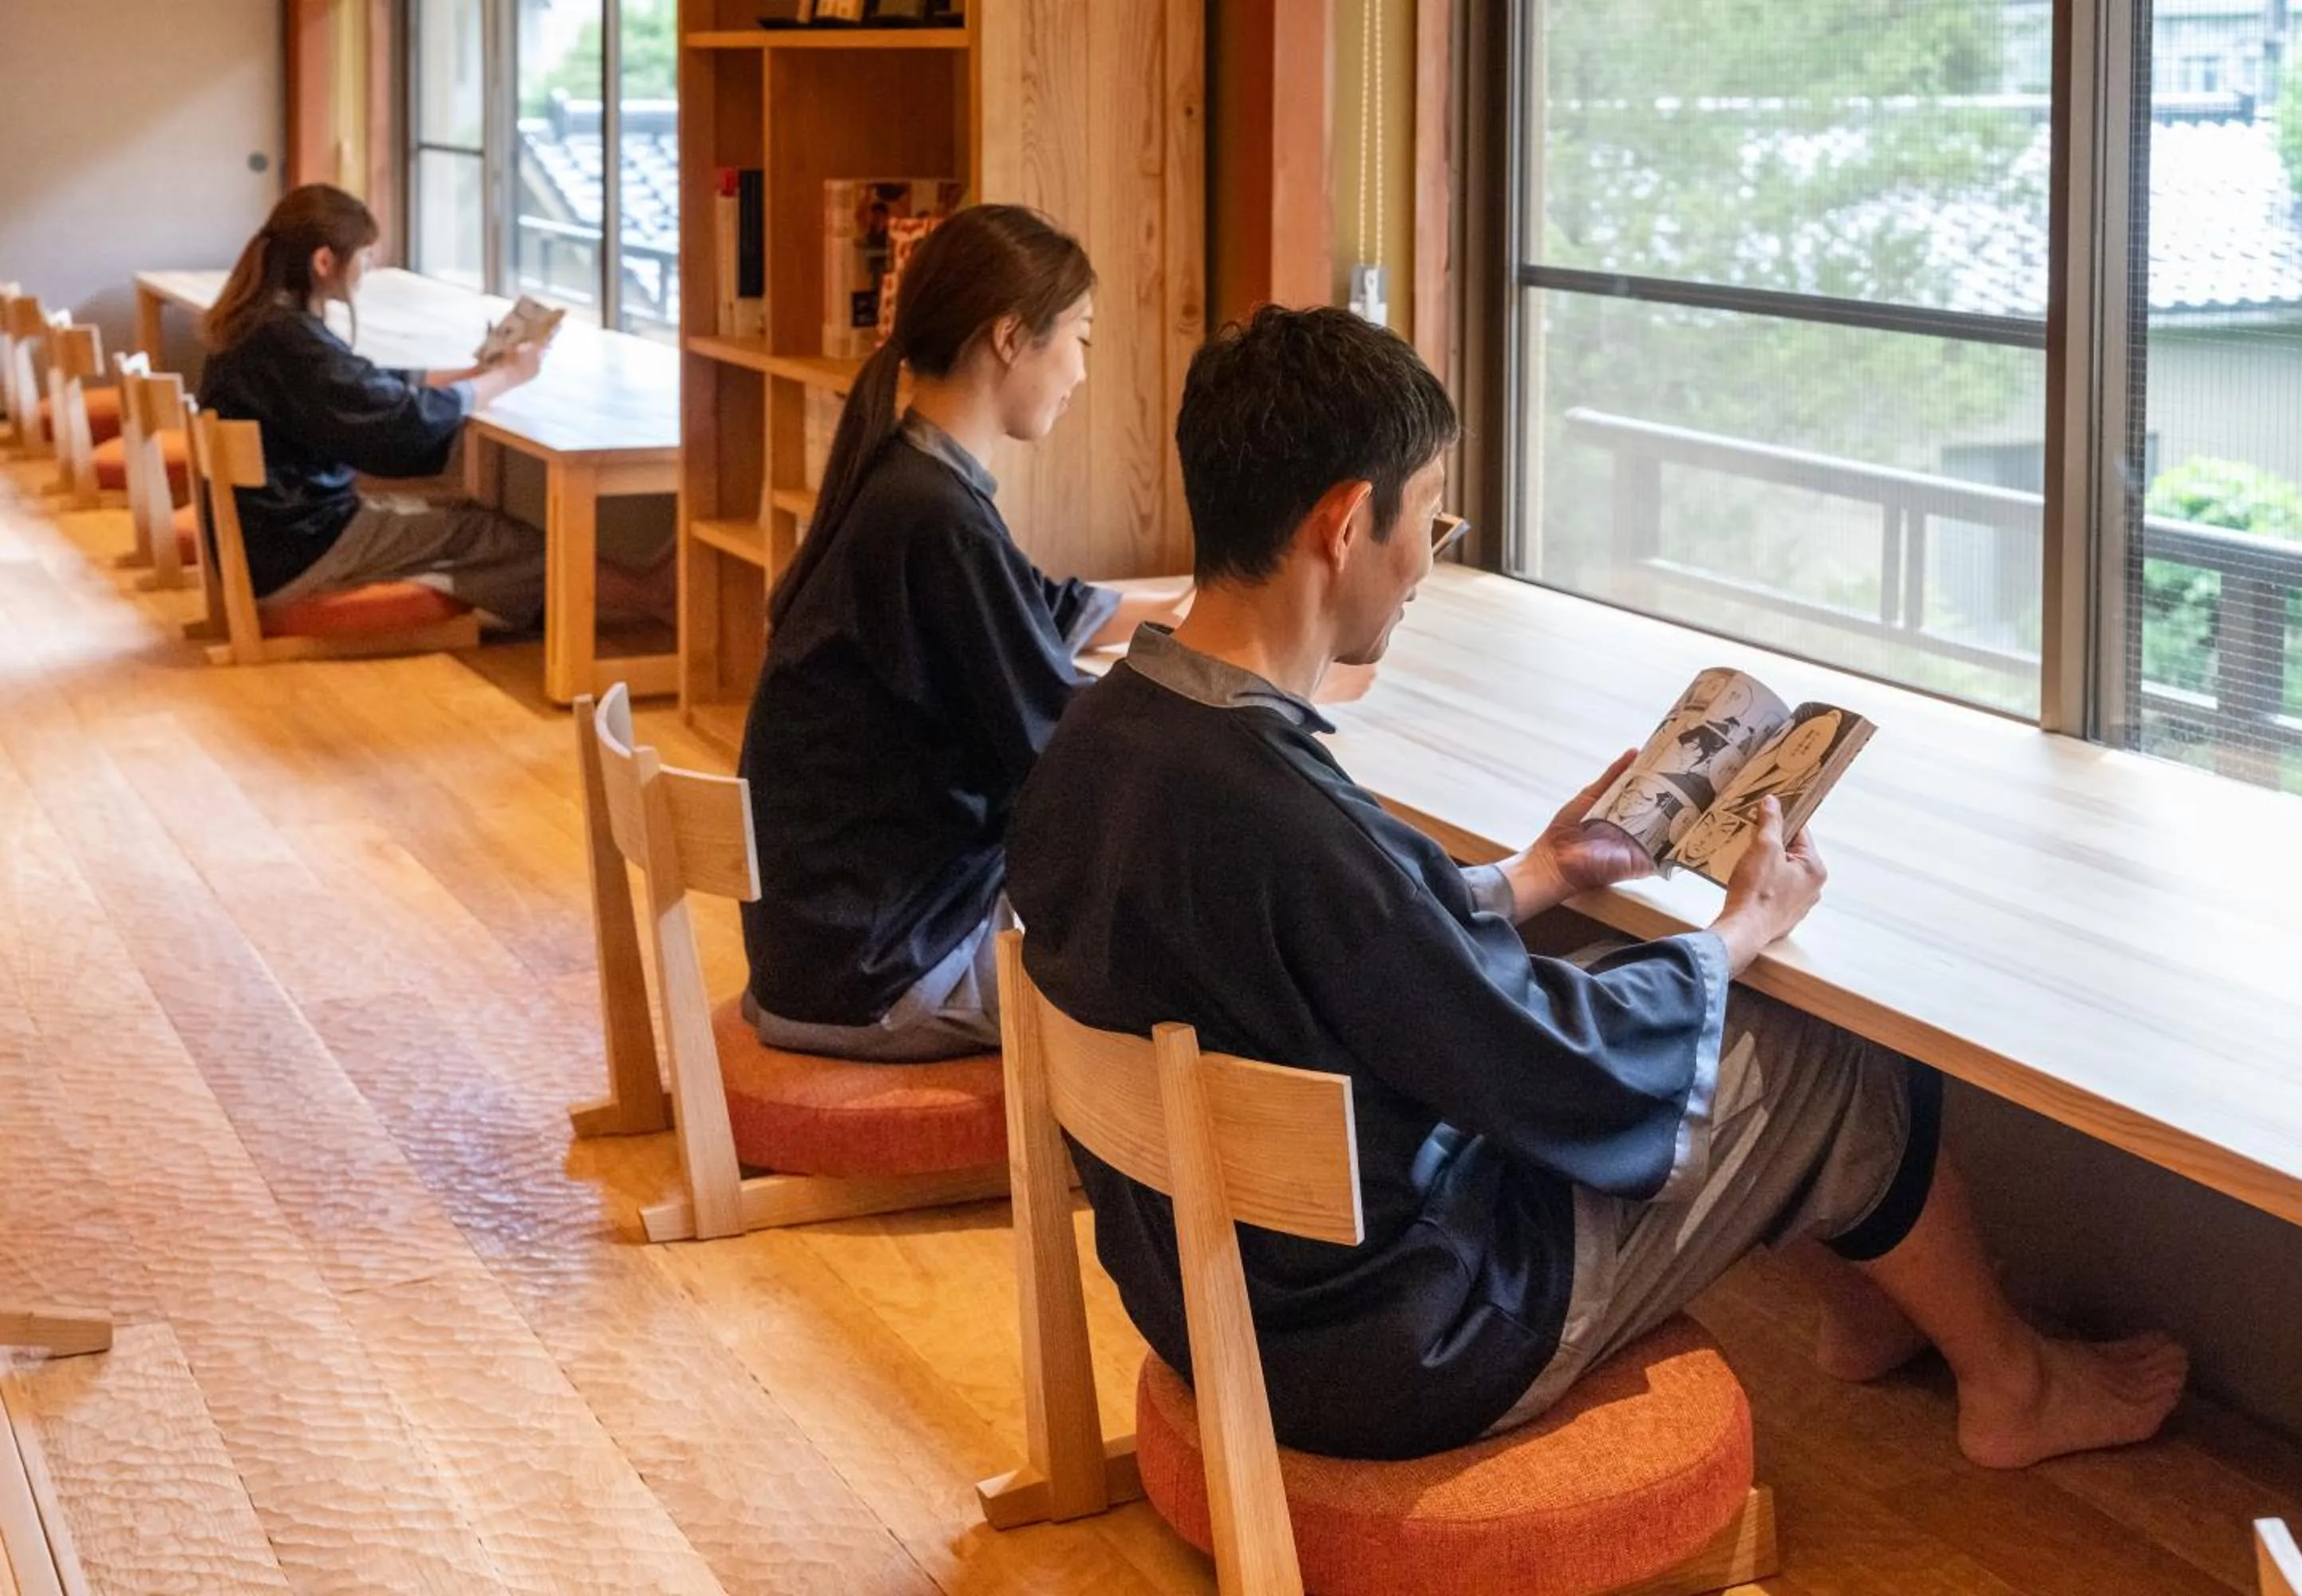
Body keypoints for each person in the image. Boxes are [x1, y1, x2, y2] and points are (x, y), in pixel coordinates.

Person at [1005, 305, 2189, 1468]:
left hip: (1214, 1299)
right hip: (1396, 1345)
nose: (1426, 559)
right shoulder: (1290, 814)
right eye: (1428, 516)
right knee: (1816, 1047)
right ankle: (2014, 1385)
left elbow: (1350, 944)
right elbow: (1536, 1054)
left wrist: (1543, 873)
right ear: (1346, 523)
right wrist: (1738, 932)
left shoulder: (1103, 736)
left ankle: (1878, 1313)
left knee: (1619, 980)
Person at [735, 204, 1187, 1064]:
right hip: (882, 972)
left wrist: (1167, 609)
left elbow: (1017, 606)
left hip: (832, 945)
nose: (1082, 372)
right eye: (1080, 338)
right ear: (1011, 337)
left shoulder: (906, 476)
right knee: (1191, 970)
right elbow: (1060, 749)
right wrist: (1205, 697)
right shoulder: (934, 516)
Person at [196, 184, 666, 630]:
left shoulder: (257, 323)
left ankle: (619, 597)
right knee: (481, 533)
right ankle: (653, 596)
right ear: (324, 261)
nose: (366, 269)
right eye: (364, 257)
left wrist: (469, 376)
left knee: (461, 526)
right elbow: (399, 421)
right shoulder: (289, 339)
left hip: (270, 540)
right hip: (300, 550)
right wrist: (507, 378)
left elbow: (363, 386)